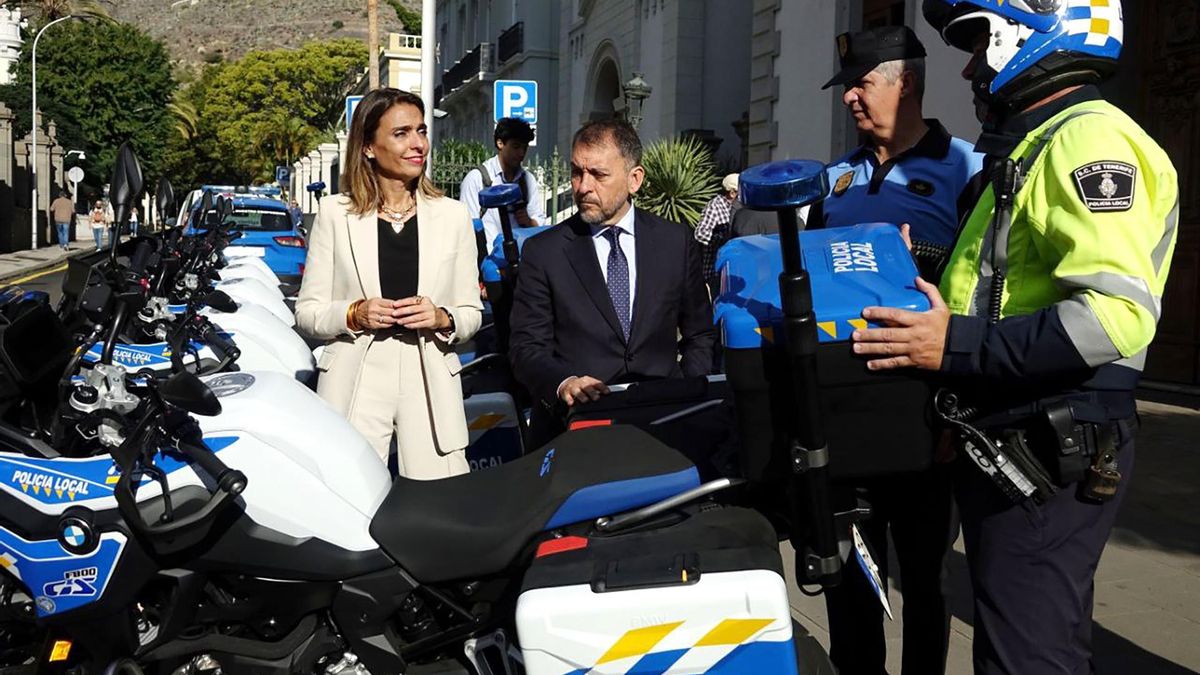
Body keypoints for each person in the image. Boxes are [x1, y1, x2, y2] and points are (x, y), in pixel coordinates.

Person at [855, 3, 1178, 673]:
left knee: (1027, 659)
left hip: (1048, 445)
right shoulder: (1033, 141)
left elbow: (1115, 315)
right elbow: (1001, 287)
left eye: (979, 44)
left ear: (1036, 32)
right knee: (1029, 645)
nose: (971, 67)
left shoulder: (1088, 140)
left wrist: (955, 347)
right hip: (1011, 432)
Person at [810, 25, 985, 675]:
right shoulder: (832, 182)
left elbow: (975, 299)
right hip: (846, 416)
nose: (850, 98)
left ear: (904, 83)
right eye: (847, 87)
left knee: (926, 578)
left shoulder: (967, 168)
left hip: (923, 416)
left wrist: (955, 407)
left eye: (861, 84)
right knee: (850, 577)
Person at [295, 88, 483, 479]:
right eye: (401, 133)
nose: (418, 144)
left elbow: (470, 314)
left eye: (421, 131)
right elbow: (307, 314)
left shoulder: (453, 217)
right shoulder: (334, 213)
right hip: (356, 373)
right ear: (367, 146)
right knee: (351, 499)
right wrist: (354, 313)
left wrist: (442, 317)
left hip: (428, 373)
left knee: (439, 505)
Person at [509, 118, 716, 448]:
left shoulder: (675, 242)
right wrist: (564, 384)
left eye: (598, 175)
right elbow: (526, 347)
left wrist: (687, 393)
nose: (582, 187)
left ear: (634, 179)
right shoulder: (544, 252)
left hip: (665, 425)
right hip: (576, 432)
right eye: (577, 172)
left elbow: (700, 333)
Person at [459, 117, 548, 257]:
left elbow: (540, 223)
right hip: (487, 265)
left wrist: (530, 221)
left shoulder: (527, 180)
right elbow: (467, 228)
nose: (521, 153)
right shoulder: (477, 179)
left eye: (524, 148)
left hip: (521, 262)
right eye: (516, 147)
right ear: (500, 143)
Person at [694, 173, 739, 298]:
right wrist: (721, 239)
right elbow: (700, 234)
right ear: (732, 193)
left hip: (730, 270)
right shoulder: (715, 206)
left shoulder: (737, 208)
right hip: (714, 271)